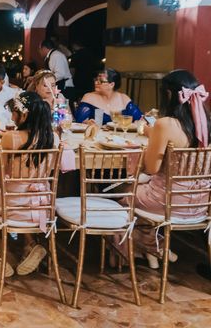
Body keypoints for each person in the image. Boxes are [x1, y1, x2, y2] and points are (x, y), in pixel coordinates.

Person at [126, 70, 209, 269]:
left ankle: (152, 247)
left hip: (166, 202)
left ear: (169, 95)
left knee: (122, 194)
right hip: (201, 204)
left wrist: (144, 148)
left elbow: (152, 168)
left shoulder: (165, 125)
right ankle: (152, 249)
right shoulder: (206, 123)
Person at [0, 91, 56, 276]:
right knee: (23, 206)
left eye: (14, 112)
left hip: (13, 203)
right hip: (42, 203)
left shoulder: (11, 138)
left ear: (24, 114)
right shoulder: (53, 138)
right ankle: (31, 245)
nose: (11, 116)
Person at [74, 69, 142, 124]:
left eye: (100, 81)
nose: (96, 83)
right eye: (96, 80)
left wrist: (140, 121)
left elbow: (140, 119)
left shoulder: (123, 98)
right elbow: (79, 122)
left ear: (111, 84)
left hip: (121, 138)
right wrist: (87, 123)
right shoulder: (89, 97)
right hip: (98, 137)